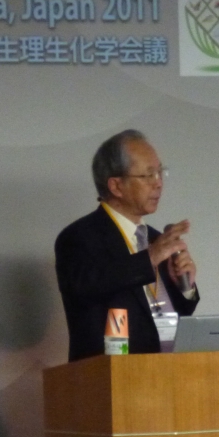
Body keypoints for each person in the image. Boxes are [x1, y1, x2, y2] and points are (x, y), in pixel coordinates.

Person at [55, 130, 199, 361]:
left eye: (160, 172)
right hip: (110, 373)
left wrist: (185, 287)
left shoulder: (155, 239)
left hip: (167, 369)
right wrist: (149, 259)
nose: (158, 183)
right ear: (116, 186)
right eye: (148, 175)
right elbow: (87, 288)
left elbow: (167, 314)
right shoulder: (79, 237)